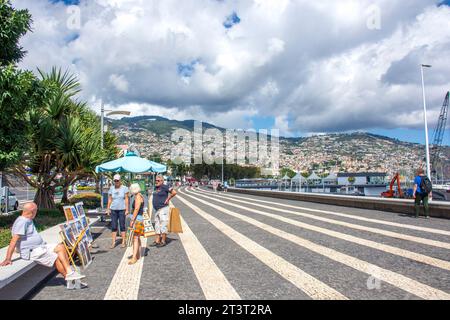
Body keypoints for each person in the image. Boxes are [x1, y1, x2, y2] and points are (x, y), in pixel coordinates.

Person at [0, 203, 85, 283]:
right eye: (36, 210)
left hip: (40, 246)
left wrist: (18, 249)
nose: (37, 212)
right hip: (32, 251)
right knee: (56, 257)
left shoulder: (27, 220)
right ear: (33, 211)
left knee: (61, 247)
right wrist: (8, 258)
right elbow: (14, 240)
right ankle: (70, 280)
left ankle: (70, 272)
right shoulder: (22, 222)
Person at [149, 175, 177, 248]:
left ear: (162, 181)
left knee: (163, 225)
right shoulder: (156, 187)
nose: (156, 181)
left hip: (163, 208)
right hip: (157, 209)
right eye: (156, 180)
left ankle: (163, 241)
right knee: (157, 225)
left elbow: (174, 192)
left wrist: (168, 199)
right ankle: (157, 240)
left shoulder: (165, 186)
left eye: (158, 180)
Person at [106, 174, 129, 249]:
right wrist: (108, 208)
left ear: (120, 181)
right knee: (114, 226)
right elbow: (109, 199)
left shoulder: (124, 188)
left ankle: (123, 241)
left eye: (117, 180)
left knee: (122, 226)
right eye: (115, 180)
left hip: (122, 209)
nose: (116, 182)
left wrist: (127, 209)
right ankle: (113, 242)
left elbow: (126, 199)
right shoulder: (111, 188)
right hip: (113, 210)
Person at [128, 183, 145, 265]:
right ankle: (138, 254)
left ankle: (134, 257)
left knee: (135, 238)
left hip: (137, 219)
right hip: (139, 218)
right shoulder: (140, 195)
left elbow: (137, 208)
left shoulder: (137, 197)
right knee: (137, 238)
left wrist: (132, 219)